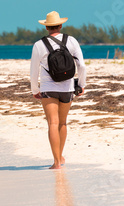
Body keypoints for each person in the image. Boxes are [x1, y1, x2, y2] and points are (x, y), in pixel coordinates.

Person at [30, 11, 86, 169]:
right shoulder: (71, 41)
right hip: (67, 88)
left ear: (46, 27)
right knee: (62, 123)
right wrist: (81, 84)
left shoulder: (39, 45)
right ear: (60, 25)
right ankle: (60, 156)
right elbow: (81, 65)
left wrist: (35, 90)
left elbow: (33, 71)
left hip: (48, 88)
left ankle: (56, 162)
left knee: (52, 124)